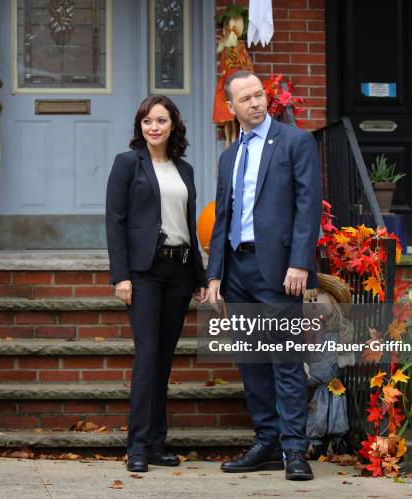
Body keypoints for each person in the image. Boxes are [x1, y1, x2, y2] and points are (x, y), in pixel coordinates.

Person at [206, 70, 321, 481]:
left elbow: (308, 206)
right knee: (251, 361)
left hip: (279, 269)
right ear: (232, 108)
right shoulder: (228, 156)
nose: (255, 103)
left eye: (259, 95)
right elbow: (222, 218)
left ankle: (294, 450)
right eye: (246, 99)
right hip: (237, 270)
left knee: (286, 361)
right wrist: (214, 275)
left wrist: (300, 263)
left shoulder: (295, 142)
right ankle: (267, 443)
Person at [106, 95, 208, 473]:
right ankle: (136, 445)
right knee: (148, 355)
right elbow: (114, 221)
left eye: (161, 120)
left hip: (180, 272)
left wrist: (199, 276)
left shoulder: (185, 169)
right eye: (147, 121)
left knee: (164, 360)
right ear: (140, 126)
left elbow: (188, 226)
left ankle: (155, 445)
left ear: (172, 126)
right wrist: (121, 275)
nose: (154, 127)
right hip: (145, 272)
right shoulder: (127, 164)